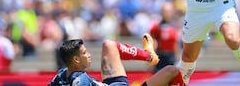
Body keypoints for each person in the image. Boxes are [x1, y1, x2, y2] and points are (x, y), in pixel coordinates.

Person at [48, 33, 186, 86]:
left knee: (109, 45)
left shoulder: (61, 75)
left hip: (113, 83)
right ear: (76, 59)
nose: (89, 55)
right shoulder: (79, 81)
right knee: (171, 70)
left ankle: (149, 55)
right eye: (85, 53)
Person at [149, 1, 180, 72]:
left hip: (171, 58)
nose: (166, 13)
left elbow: (176, 44)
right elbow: (152, 44)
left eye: (168, 11)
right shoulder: (156, 27)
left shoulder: (175, 27)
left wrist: (177, 58)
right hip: (159, 57)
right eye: (165, 11)